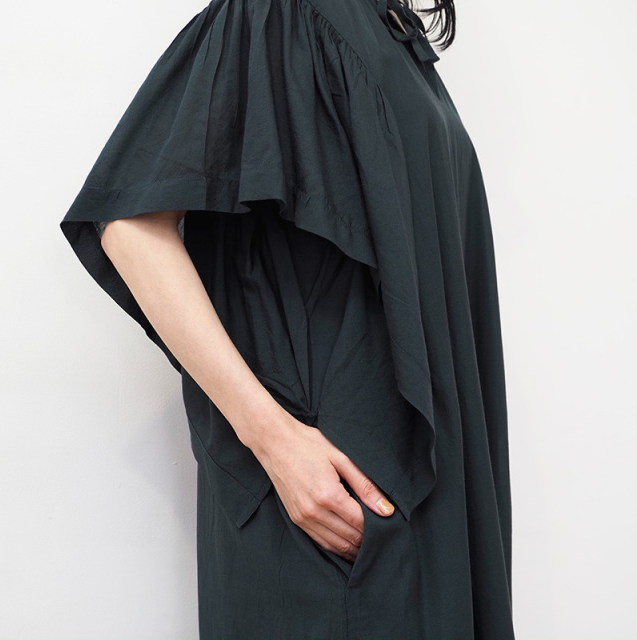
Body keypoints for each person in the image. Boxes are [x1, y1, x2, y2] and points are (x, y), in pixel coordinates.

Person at [60, 0, 516, 637]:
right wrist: (275, 441)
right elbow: (131, 227)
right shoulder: (282, 12)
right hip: (333, 528)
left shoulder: (393, 37)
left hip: (420, 511)